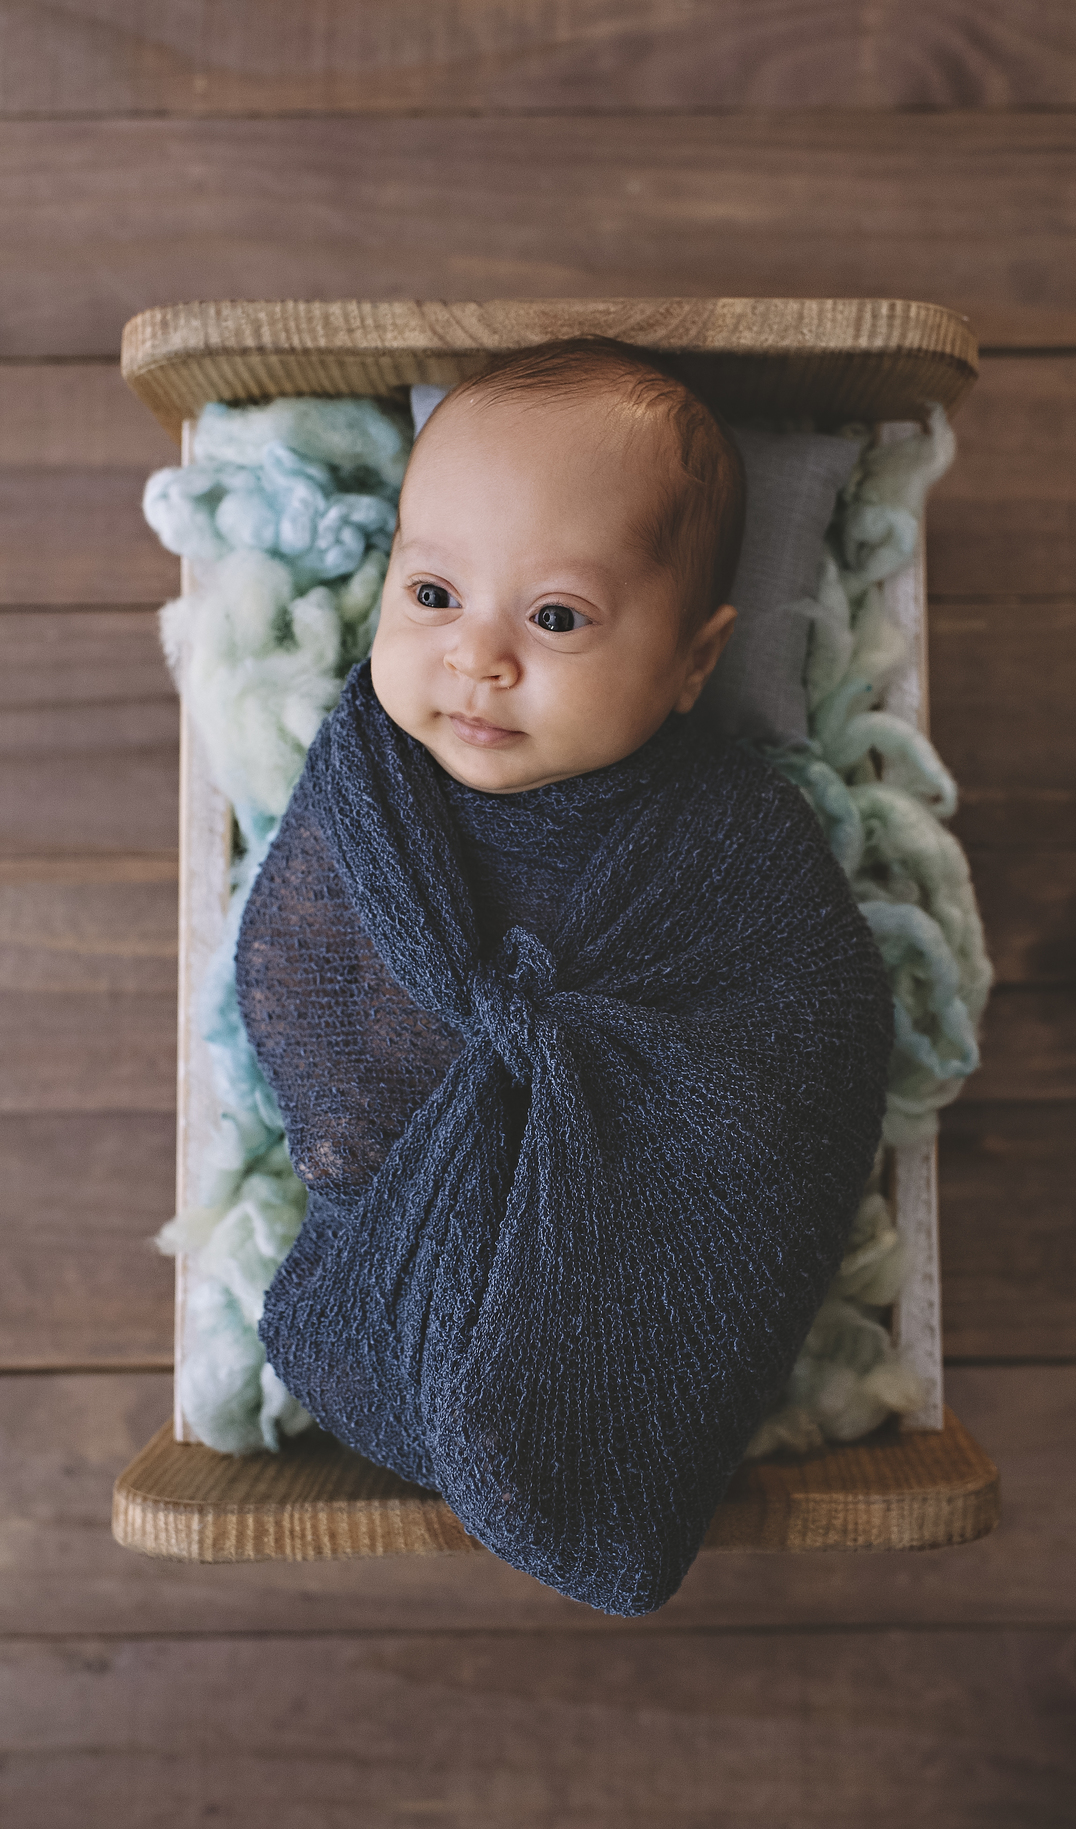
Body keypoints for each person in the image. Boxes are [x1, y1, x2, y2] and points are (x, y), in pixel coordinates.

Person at [236, 338, 893, 1614]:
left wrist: (589, 1093)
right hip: (401, 1189)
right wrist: (395, 1120)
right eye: (432, 594)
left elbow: (813, 1028)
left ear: (695, 663)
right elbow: (293, 955)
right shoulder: (373, 776)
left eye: (555, 618)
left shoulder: (727, 834)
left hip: (623, 1208)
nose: (479, 657)